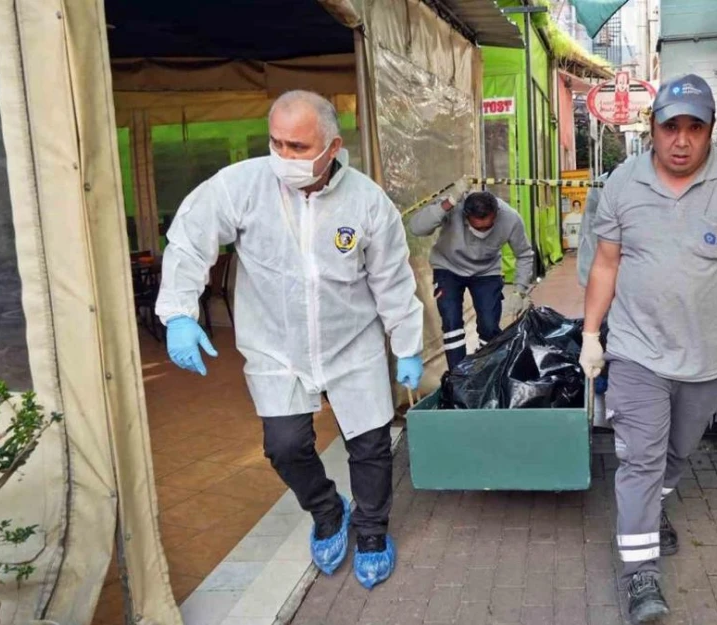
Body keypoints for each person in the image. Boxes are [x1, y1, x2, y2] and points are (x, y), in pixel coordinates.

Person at [155, 90, 424, 590]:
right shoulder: (243, 185)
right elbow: (191, 238)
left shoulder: (367, 202)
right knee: (284, 446)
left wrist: (406, 343)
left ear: (332, 145)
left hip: (353, 342)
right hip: (275, 344)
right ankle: (327, 511)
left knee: (369, 446)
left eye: (298, 147)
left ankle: (371, 532)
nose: (285, 156)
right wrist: (177, 312)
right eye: (276, 142)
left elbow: (391, 278)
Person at [578, 74, 717, 623]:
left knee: (676, 454)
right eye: (670, 126)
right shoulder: (624, 182)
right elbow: (606, 262)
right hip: (636, 351)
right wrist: (591, 333)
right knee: (641, 459)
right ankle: (640, 576)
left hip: (705, 359)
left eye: (693, 128)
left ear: (711, 131)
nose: (681, 140)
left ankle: (650, 509)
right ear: (652, 129)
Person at [409, 183, 535, 370]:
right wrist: (449, 201)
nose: (482, 232)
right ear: (466, 217)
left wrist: (519, 291)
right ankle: (458, 376)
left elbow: (524, 254)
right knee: (451, 322)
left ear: (496, 215)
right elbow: (416, 228)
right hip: (448, 267)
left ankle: (486, 372)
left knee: (489, 326)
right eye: (477, 227)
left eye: (488, 227)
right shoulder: (453, 208)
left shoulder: (510, 218)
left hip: (486, 271)